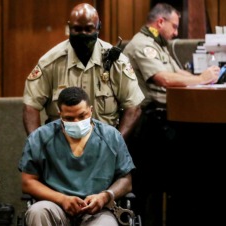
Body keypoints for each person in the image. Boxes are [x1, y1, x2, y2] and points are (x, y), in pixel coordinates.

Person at [123, 3, 220, 226]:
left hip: (164, 122)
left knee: (179, 181)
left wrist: (205, 77)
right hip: (145, 124)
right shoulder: (142, 45)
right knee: (146, 187)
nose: (176, 33)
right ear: (160, 22)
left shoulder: (159, 44)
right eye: (174, 27)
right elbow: (164, 79)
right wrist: (201, 79)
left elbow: (177, 72)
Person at [22, 3, 144, 141]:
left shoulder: (117, 62)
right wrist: (38, 145)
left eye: (88, 29)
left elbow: (133, 107)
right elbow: (30, 107)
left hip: (104, 144)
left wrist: (116, 144)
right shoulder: (50, 62)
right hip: (60, 145)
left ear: (99, 27)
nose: (83, 34)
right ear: (69, 27)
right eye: (77, 29)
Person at [18, 86, 136, 226]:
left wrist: (105, 196)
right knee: (37, 211)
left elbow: (126, 181)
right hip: (55, 205)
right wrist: (62, 199)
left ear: (91, 110)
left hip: (98, 211)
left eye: (82, 116)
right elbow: (27, 182)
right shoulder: (41, 137)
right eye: (69, 118)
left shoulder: (111, 137)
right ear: (59, 114)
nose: (76, 122)